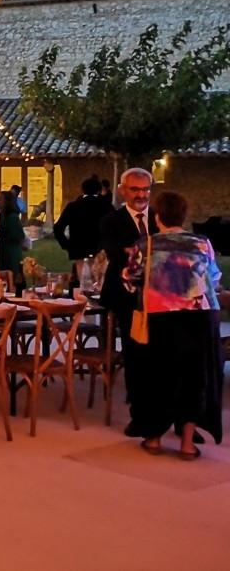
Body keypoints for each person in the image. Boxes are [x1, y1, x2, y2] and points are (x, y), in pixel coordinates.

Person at [131, 191, 223, 457]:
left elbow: (131, 277)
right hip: (199, 317)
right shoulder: (202, 243)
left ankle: (155, 438)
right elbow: (213, 276)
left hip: (161, 316)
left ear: (157, 217)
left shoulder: (146, 245)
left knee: (158, 375)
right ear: (184, 215)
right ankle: (186, 442)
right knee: (194, 377)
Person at [99, 167, 159, 437]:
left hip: (160, 296)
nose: (141, 195)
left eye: (145, 189)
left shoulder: (160, 218)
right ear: (123, 190)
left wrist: (136, 251)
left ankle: (172, 415)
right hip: (125, 296)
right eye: (135, 189)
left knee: (162, 355)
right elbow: (116, 254)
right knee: (135, 352)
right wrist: (146, 252)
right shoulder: (112, 220)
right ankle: (139, 415)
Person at [54, 176, 115, 261]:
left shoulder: (73, 207)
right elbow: (116, 228)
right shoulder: (107, 207)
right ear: (99, 190)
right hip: (101, 252)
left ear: (82, 190)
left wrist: (67, 245)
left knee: (80, 273)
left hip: (78, 251)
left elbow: (58, 228)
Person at [0, 191, 26, 292]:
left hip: (12, 251)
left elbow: (19, 235)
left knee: (13, 274)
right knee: (2, 275)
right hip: (3, 249)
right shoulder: (1, 215)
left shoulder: (12, 217)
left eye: (0, 199)